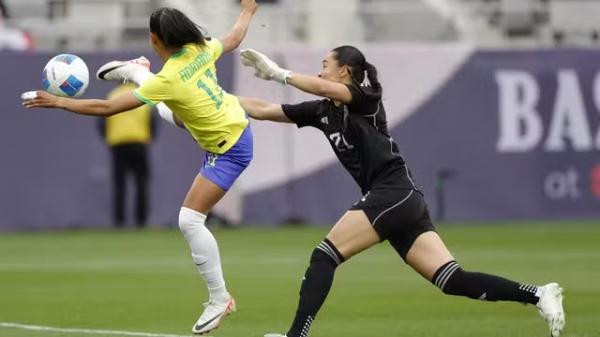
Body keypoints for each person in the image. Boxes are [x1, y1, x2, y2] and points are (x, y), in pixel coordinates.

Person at [236, 47, 566, 337]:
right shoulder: (323, 111)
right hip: (401, 200)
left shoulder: (364, 99)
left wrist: (280, 74)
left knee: (325, 255)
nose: (320, 70)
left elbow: (323, 85)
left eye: (325, 64)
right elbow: (264, 110)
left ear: (344, 72)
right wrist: (212, 99)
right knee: (453, 281)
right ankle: (539, 293)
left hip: (392, 192)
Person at [21, 1, 257, 334]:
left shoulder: (170, 78)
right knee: (171, 108)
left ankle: (220, 298)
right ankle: (137, 72)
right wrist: (247, 11)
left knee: (189, 220)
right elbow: (232, 39)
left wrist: (58, 100)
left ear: (155, 39)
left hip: (230, 149)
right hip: (231, 122)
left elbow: (106, 108)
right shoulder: (201, 48)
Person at [99, 83, 156, 228]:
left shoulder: (112, 95)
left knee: (119, 184)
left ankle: (119, 221)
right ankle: (141, 221)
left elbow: (102, 120)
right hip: (139, 143)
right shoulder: (142, 95)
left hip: (118, 144)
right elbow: (153, 120)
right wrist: (150, 137)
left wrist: (107, 137)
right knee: (141, 183)